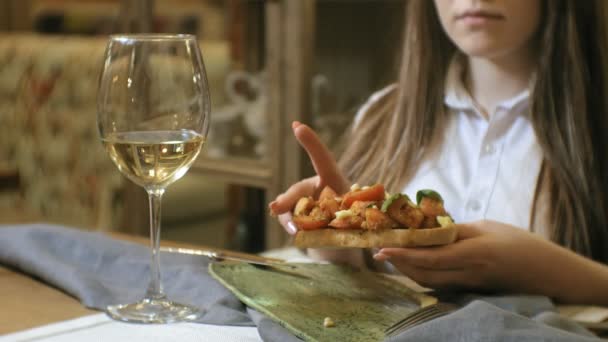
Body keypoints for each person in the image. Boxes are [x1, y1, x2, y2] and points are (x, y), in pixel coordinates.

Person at [269, 0, 608, 305]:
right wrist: (334, 242)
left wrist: (547, 270)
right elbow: (362, 290)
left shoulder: (594, 128)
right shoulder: (382, 116)